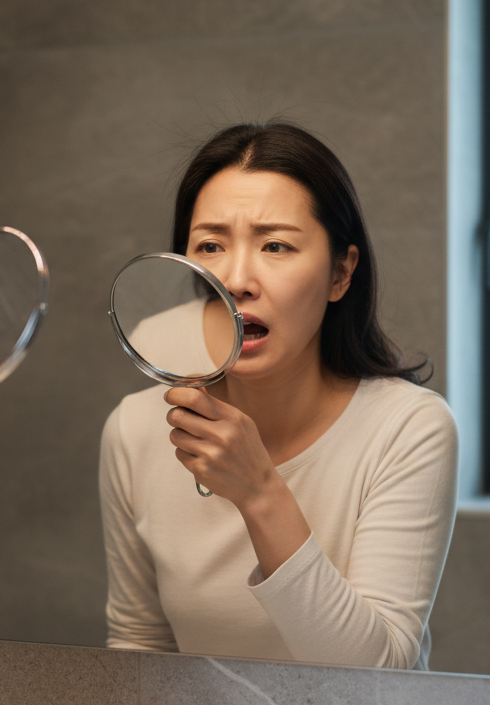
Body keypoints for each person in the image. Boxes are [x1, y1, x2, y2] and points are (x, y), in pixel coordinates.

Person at [100, 122, 458, 670]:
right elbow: (140, 649)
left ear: (341, 272)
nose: (237, 278)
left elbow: (383, 677)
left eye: (276, 245)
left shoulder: (409, 429)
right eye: (211, 246)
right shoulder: (134, 430)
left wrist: (261, 493)